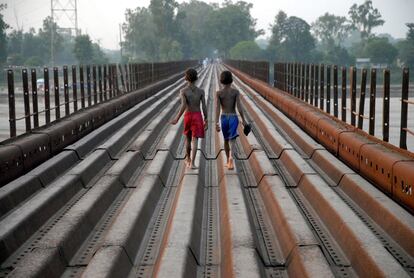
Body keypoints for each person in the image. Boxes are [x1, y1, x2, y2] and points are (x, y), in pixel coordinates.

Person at [171, 68, 208, 169]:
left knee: (188, 139)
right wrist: (206, 118)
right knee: (195, 140)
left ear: (186, 78)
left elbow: (183, 105)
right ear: (196, 78)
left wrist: (177, 118)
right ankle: (193, 163)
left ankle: (188, 159)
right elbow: (204, 106)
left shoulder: (183, 91)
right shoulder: (201, 91)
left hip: (188, 115)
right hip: (197, 115)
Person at [215, 70, 246, 170]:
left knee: (225, 140)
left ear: (221, 81)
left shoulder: (219, 93)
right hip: (233, 117)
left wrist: (216, 122)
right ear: (231, 80)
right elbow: (239, 107)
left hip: (224, 117)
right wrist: (243, 120)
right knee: (233, 139)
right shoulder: (235, 92)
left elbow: (217, 108)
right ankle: (232, 157)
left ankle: (228, 160)